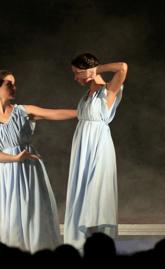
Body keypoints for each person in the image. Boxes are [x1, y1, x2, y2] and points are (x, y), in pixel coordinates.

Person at [0, 70, 77, 252]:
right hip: (9, 174)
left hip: (30, 169)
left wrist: (83, 112)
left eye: (14, 84)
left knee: (34, 215)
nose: (14, 87)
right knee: (13, 219)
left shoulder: (23, 111)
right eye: (9, 84)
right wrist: (15, 158)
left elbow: (54, 114)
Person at [64, 54, 128, 250]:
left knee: (98, 193)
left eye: (77, 73)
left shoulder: (108, 90)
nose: (75, 78)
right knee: (81, 194)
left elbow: (122, 67)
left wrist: (96, 70)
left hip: (98, 146)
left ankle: (100, 246)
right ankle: (77, 247)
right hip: (82, 146)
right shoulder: (87, 95)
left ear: (87, 70)